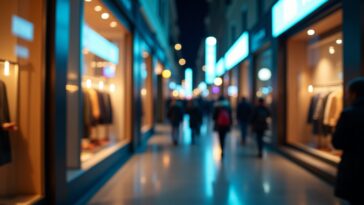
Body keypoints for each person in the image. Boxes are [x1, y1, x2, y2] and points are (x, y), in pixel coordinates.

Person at [332, 77, 364, 205]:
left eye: (348, 94)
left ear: (354, 94)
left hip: (354, 167)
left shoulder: (349, 114)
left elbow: (337, 142)